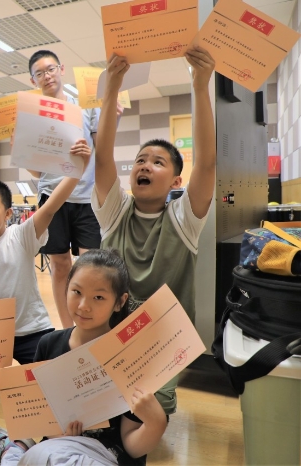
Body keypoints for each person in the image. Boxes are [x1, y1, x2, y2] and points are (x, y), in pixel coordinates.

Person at [91, 47, 216, 414]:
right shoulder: (115, 213)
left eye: (157, 162)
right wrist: (112, 87)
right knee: (101, 410)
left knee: (148, 414)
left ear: (176, 181)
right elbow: (102, 158)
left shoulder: (184, 219)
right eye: (140, 160)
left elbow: (206, 164)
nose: (144, 166)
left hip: (163, 343)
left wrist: (200, 84)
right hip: (112, 337)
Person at [0, 249, 167, 466]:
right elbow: (38, 416)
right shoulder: (48, 344)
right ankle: (16, 451)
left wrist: (155, 423)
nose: (83, 306)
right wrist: (58, 434)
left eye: (98, 297)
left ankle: (13, 452)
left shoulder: (130, 357)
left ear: (119, 302)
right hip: (57, 450)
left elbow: (131, 447)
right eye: (77, 292)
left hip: (105, 455)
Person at [0, 152, 89, 368]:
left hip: (33, 330)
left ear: (7, 213)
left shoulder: (21, 235)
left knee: (52, 378)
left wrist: (78, 169)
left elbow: (50, 207)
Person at [25, 49, 102, 329]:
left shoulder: (85, 107)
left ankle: (90, 325)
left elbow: (101, 149)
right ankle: (68, 330)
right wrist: (19, 152)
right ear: (33, 80)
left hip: (86, 197)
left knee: (90, 266)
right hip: (51, 198)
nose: (47, 76)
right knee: (59, 265)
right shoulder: (33, 117)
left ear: (61, 69)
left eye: (50, 69)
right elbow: (37, 172)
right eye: (39, 73)